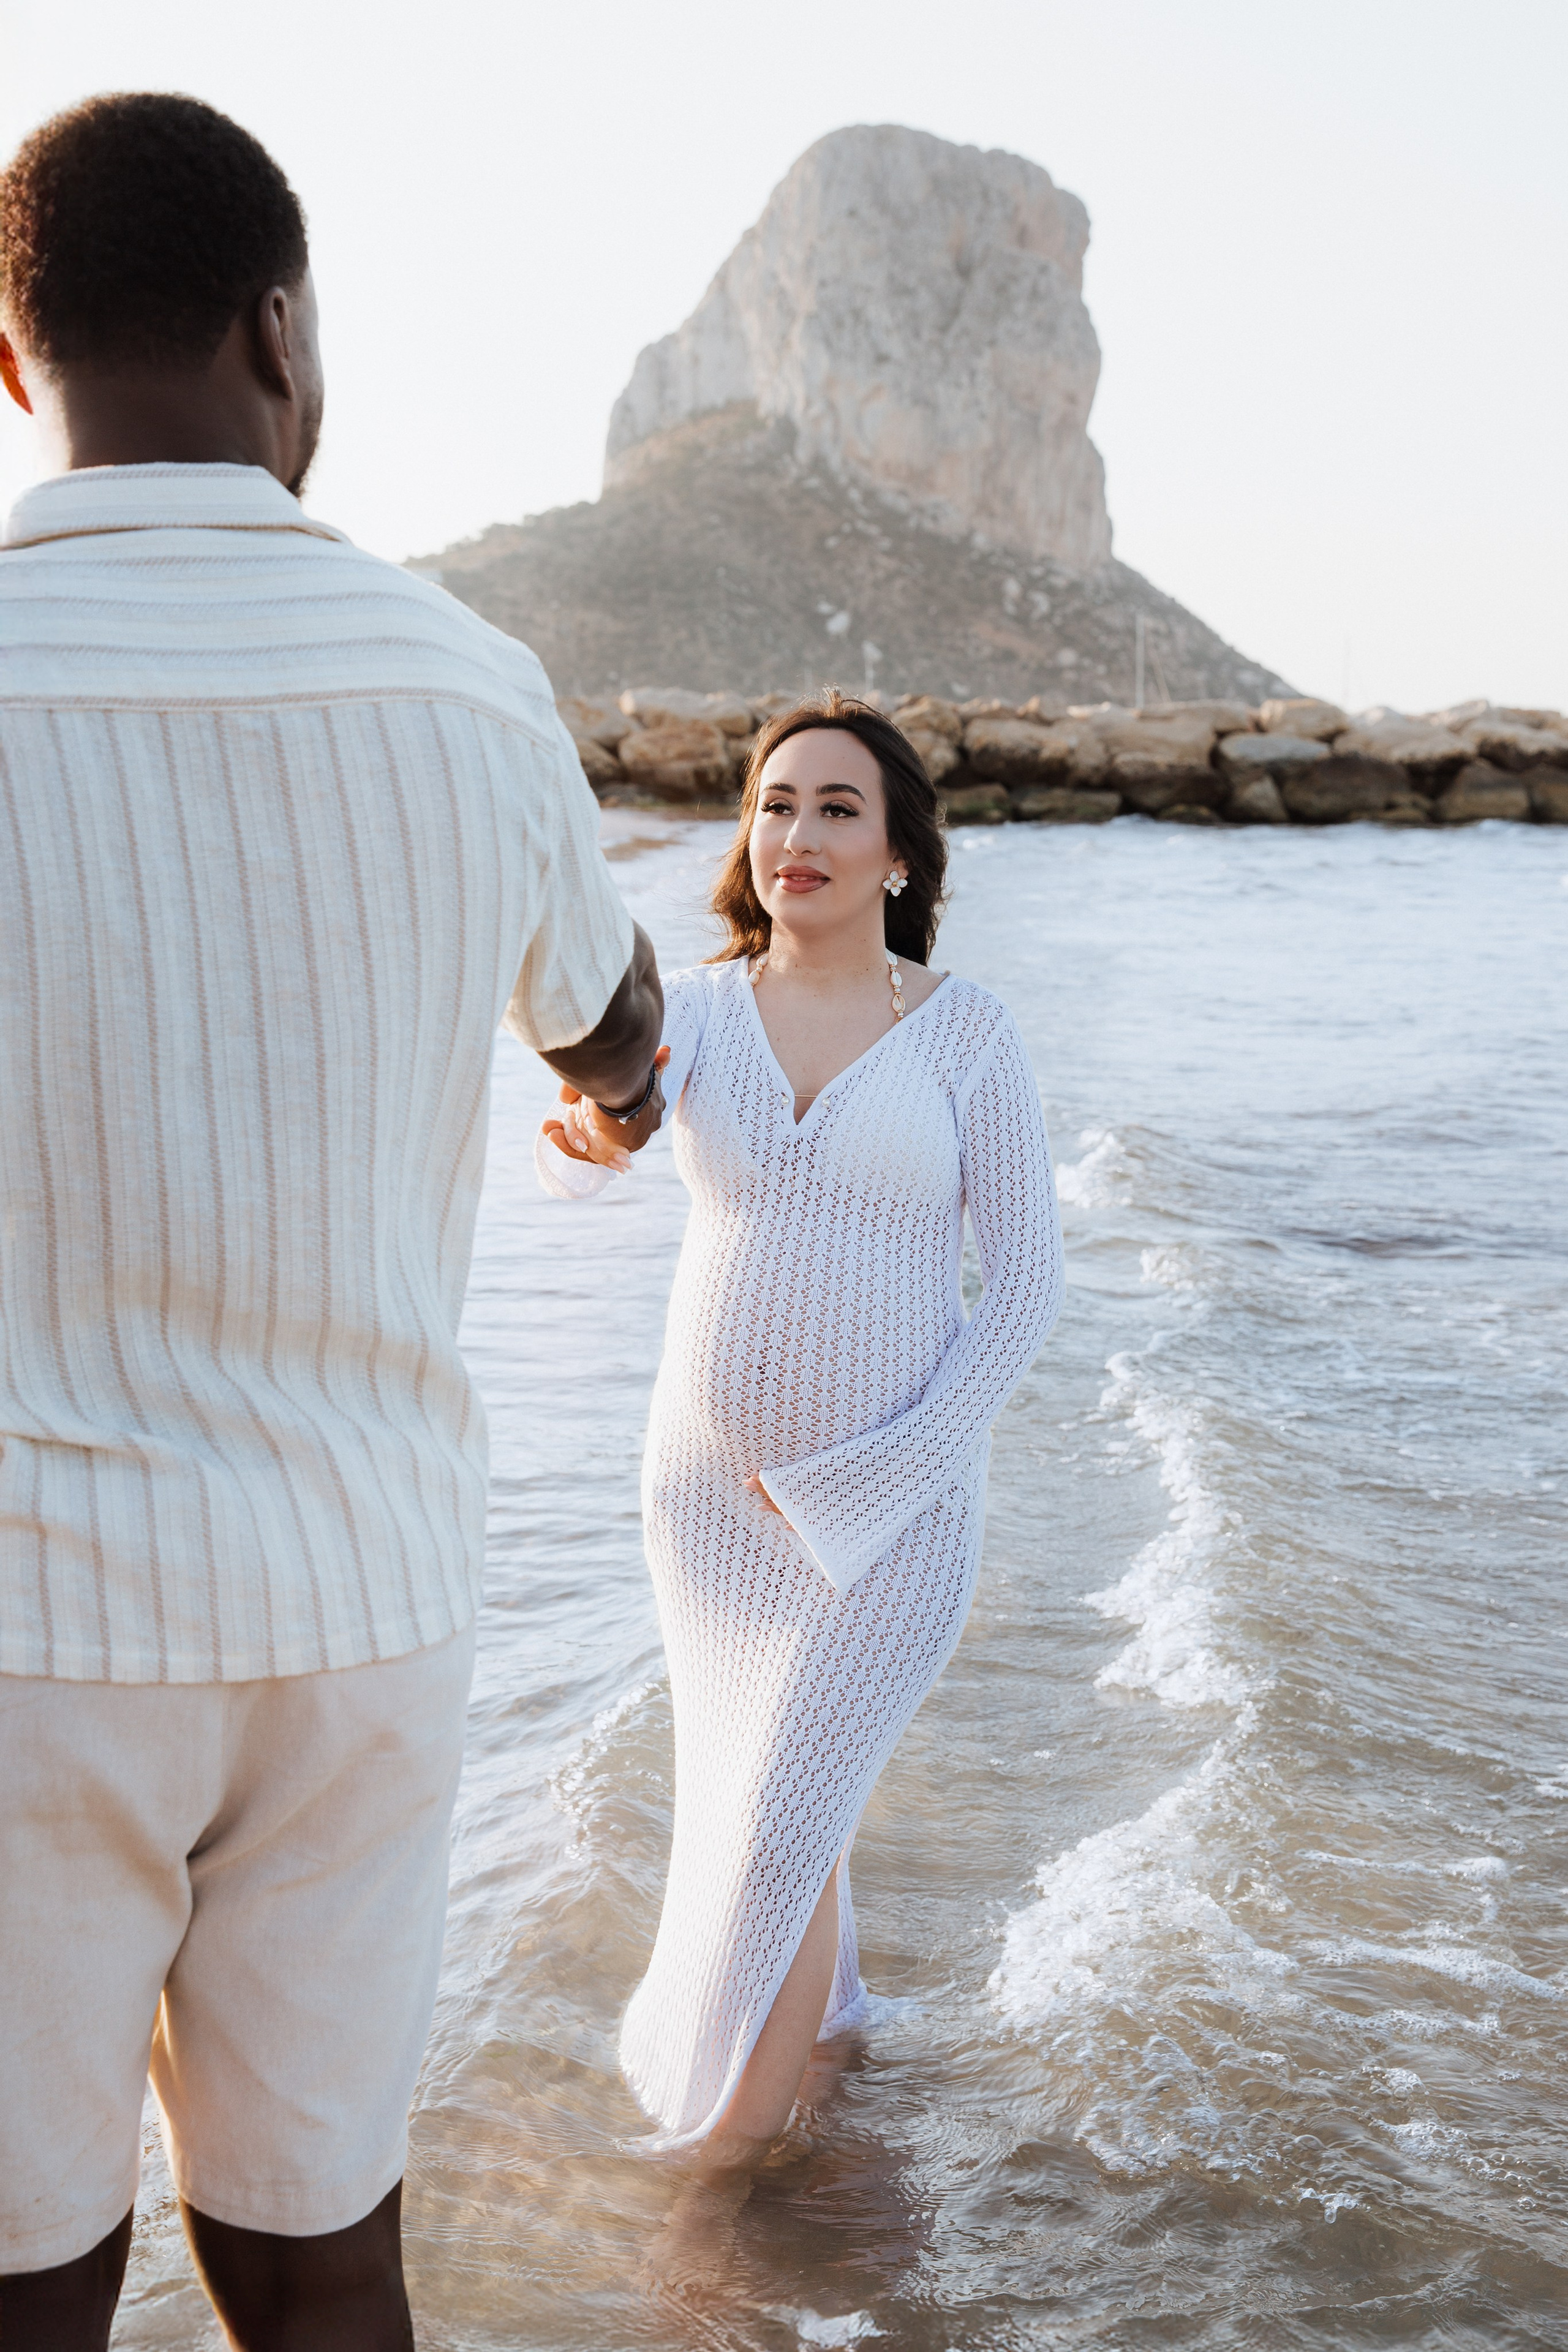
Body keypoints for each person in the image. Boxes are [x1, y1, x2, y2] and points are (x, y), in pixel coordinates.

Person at [0, 92, 664, 2351]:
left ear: (16, 367)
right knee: (317, 2253)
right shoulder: (471, 683)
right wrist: (610, 1093)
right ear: (283, 331)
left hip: (23, 1626)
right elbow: (612, 1027)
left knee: (22, 2269)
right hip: (360, 1604)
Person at [538, 693, 1064, 2168]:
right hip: (702, 1510)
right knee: (759, 1808)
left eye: (837, 808)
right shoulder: (695, 1009)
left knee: (773, 1819)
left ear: (898, 852)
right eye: (775, 806)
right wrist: (591, 1126)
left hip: (888, 1521)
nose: (799, 836)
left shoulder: (965, 1034)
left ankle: (720, 2173)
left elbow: (1025, 1293)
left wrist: (874, 1476)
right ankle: (822, 2057)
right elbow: (596, 1140)